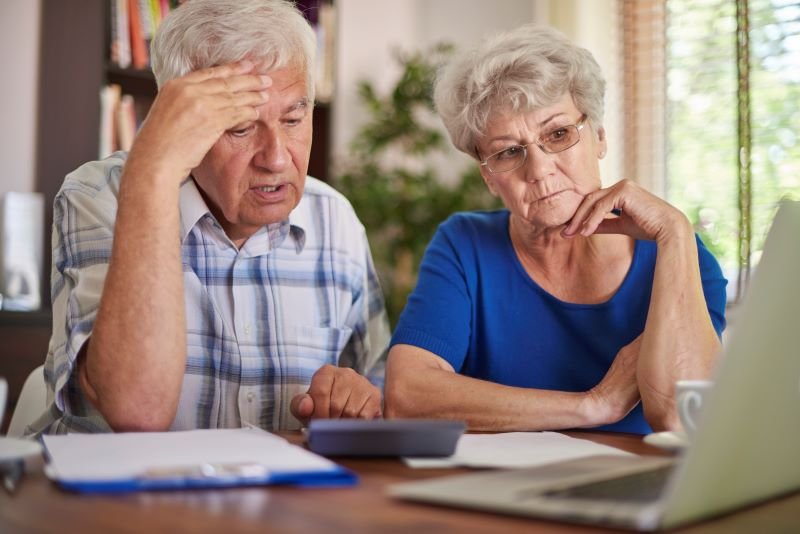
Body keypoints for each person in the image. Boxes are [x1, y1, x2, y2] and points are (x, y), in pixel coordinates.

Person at [30, 0, 389, 435]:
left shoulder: (336, 219)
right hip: (128, 499)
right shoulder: (100, 195)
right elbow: (135, 411)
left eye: (294, 118)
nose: (277, 158)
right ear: (178, 119)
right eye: (239, 127)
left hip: (284, 498)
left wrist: (358, 398)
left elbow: (380, 390)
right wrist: (154, 170)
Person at [384, 24, 727, 434]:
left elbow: (677, 418)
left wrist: (674, 229)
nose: (540, 170)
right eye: (509, 152)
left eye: (559, 134)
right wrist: (592, 406)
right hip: (497, 491)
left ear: (599, 138)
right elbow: (408, 398)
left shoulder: (680, 254)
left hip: (635, 492)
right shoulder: (464, 245)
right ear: (490, 178)